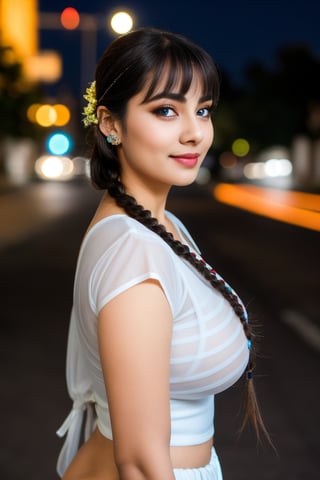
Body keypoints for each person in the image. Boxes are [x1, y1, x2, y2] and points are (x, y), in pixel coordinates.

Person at [56, 27, 269, 480]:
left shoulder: (155, 226)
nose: (195, 133)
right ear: (111, 124)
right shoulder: (134, 254)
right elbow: (138, 460)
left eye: (204, 110)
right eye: (167, 110)